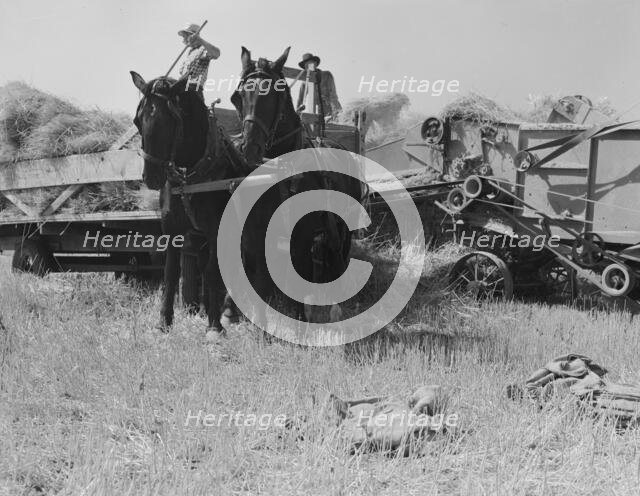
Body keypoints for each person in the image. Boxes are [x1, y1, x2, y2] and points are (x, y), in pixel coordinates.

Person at [177, 23, 221, 101]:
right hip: (182, 87)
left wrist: (200, 39)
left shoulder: (202, 49)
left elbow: (216, 54)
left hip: (194, 90)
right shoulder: (190, 52)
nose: (184, 39)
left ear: (192, 36)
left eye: (185, 36)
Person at [295, 53, 342, 121]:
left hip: (330, 110)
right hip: (316, 112)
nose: (310, 65)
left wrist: (336, 113)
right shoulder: (305, 82)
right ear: (305, 67)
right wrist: (296, 115)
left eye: (311, 63)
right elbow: (300, 100)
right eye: (307, 64)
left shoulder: (326, 76)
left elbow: (333, 96)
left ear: (315, 63)